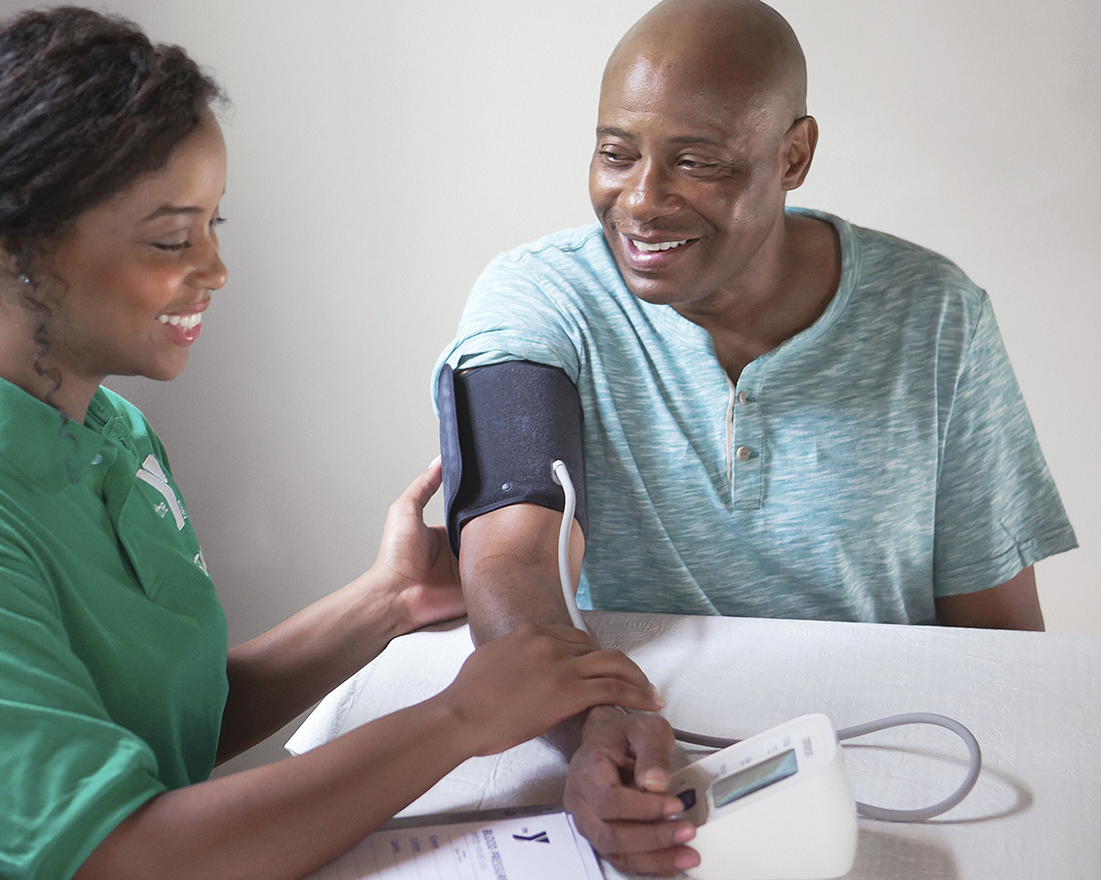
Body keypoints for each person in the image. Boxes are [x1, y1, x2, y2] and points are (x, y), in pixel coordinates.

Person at [0, 8, 668, 880]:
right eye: (169, 238)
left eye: (213, 226)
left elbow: (158, 721)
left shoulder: (110, 430)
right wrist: (460, 719)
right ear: (16, 247)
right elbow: (122, 856)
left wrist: (386, 601)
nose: (215, 270)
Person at [432, 0, 1078, 873]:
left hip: (890, 782)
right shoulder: (539, 300)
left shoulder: (935, 317)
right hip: (626, 757)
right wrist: (595, 727)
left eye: (698, 162)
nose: (643, 201)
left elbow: (1001, 644)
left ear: (794, 154)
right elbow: (509, 551)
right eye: (616, 153)